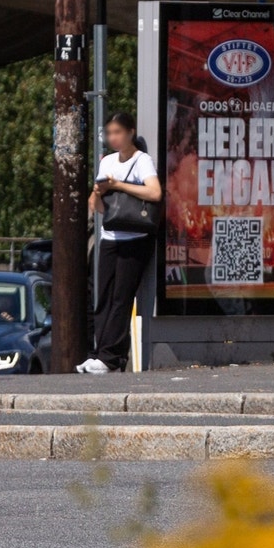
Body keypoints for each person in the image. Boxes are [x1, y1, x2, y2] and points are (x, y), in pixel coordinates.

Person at [83, 112, 162, 374]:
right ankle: (100, 353)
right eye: (109, 133)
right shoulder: (106, 162)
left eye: (118, 132)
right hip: (110, 236)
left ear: (130, 132)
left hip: (135, 238)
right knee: (102, 295)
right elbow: (98, 208)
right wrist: (97, 192)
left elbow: (154, 192)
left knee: (121, 298)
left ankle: (110, 357)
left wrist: (120, 185)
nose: (113, 138)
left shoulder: (142, 161)